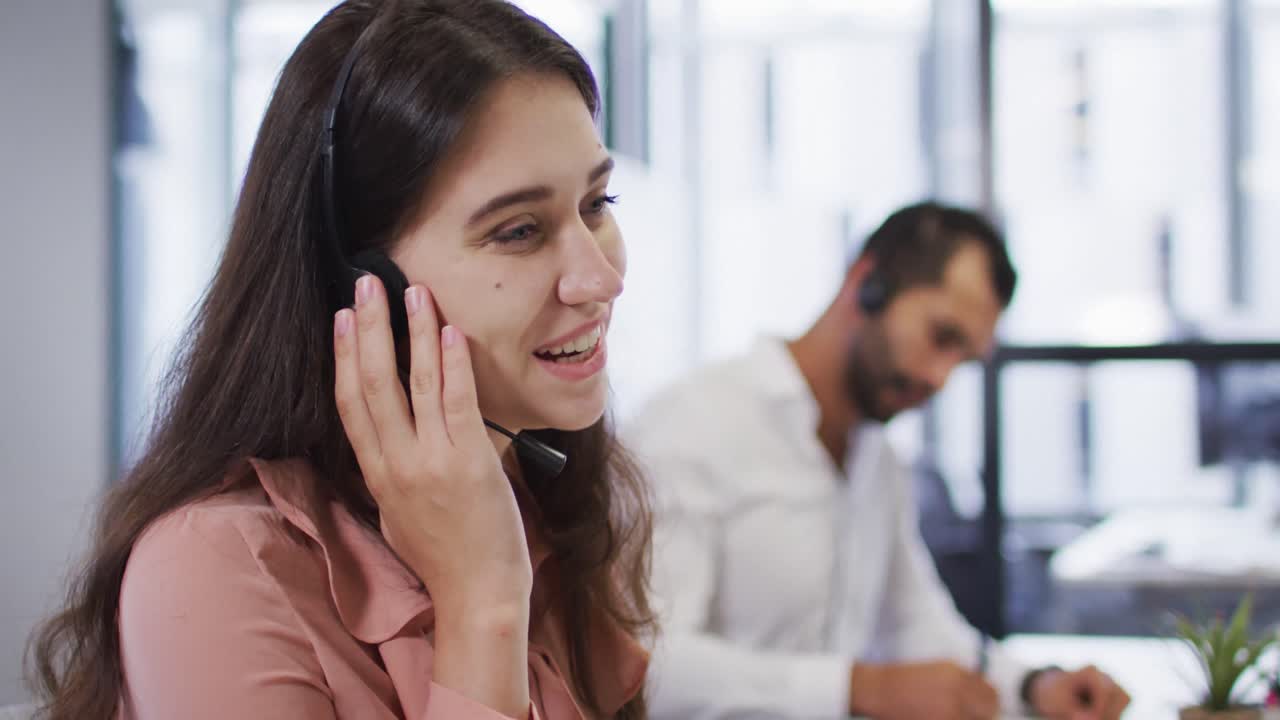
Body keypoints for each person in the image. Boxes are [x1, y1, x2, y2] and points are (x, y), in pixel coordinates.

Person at [29, 2, 654, 718]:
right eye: (519, 231)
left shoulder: (540, 495)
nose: (601, 278)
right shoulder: (212, 571)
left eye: (597, 203)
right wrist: (481, 609)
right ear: (360, 285)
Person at [625, 202, 1132, 720]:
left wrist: (1033, 687)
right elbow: (646, 667)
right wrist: (858, 689)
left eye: (963, 358)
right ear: (868, 285)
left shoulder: (879, 459)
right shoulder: (692, 424)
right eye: (942, 337)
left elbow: (917, 627)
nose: (941, 378)